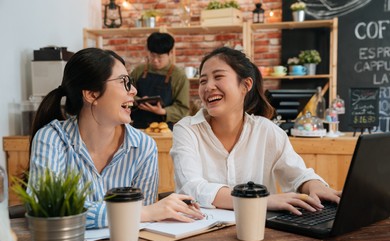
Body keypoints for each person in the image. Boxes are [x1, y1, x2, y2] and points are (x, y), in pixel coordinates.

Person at [28, 47, 203, 229]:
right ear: (92, 94)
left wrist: (146, 213)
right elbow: (45, 207)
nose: (134, 91)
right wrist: (143, 213)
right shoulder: (52, 139)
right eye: (124, 82)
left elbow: (142, 221)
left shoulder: (143, 146)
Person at [170, 47, 341, 215]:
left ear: (246, 85)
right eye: (203, 80)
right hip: (202, 236)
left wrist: (315, 185)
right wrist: (260, 200)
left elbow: (298, 174)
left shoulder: (267, 131)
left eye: (218, 77)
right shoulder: (187, 129)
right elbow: (192, 187)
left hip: (260, 232)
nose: (208, 87)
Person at [130, 32, 190, 129]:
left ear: (170, 53)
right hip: (138, 127)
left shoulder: (179, 76)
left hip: (164, 130)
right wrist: (138, 101)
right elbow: (125, 93)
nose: (155, 60)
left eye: (160, 57)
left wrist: (163, 111)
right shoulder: (139, 71)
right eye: (152, 56)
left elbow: (183, 109)